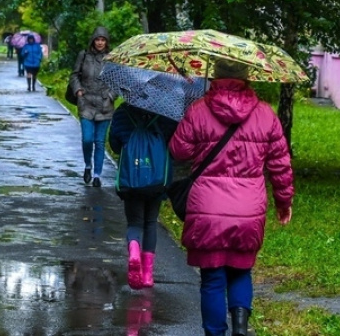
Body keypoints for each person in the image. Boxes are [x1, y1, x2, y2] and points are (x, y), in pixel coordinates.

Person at [168, 58, 294, 336]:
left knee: (212, 278)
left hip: (207, 210)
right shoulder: (265, 115)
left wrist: (188, 115)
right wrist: (284, 203)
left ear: (214, 77)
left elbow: (178, 151)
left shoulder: (198, 110)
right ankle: (240, 326)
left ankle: (215, 333)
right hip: (249, 211)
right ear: (247, 78)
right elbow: (280, 165)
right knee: (240, 270)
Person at [109, 103, 177, 290]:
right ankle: (147, 275)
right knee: (150, 223)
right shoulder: (166, 111)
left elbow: (115, 145)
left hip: (131, 178)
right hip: (156, 179)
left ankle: (133, 252)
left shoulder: (123, 111)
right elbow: (175, 144)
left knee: (134, 223)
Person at [69, 26, 115, 187]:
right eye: (98, 39)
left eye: (103, 40)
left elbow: (118, 81)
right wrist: (78, 91)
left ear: (106, 42)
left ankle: (97, 175)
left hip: (104, 105)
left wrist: (111, 96)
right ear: (93, 40)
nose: (100, 42)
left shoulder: (112, 58)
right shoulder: (84, 55)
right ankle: (88, 165)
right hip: (86, 102)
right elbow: (74, 75)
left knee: (100, 142)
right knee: (87, 139)